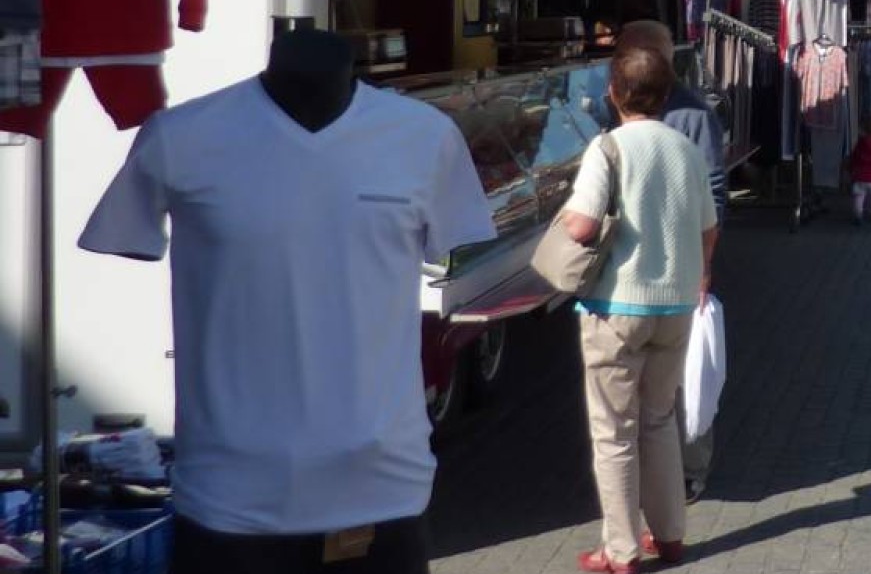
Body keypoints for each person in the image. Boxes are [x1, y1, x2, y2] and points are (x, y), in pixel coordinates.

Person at [78, 30, 497, 574]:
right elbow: (126, 234)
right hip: (229, 496)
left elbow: (457, 241)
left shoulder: (424, 138)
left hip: (381, 487)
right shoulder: (181, 138)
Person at [561, 45, 720, 574]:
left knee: (613, 431)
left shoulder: (607, 149)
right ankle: (670, 534)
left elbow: (583, 225)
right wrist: (700, 277)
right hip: (674, 304)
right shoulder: (685, 149)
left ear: (613, 93)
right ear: (667, 92)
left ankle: (622, 549)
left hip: (617, 305)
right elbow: (708, 226)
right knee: (658, 421)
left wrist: (561, 222)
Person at [615, 18, 725, 505]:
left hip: (678, 271)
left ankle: (690, 470)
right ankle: (652, 479)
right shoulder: (612, 107)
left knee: (685, 376)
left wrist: (704, 267)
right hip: (628, 271)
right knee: (643, 386)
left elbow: (714, 197)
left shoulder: (694, 114)